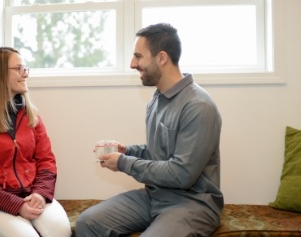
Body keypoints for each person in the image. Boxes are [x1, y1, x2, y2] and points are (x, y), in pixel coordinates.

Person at [76, 23, 223, 236]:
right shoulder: (156, 99)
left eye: (138, 56)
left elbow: (182, 174)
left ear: (161, 58)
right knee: (88, 222)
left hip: (193, 204)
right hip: (154, 196)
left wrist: (124, 163)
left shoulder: (198, 106)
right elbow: (159, 154)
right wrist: (127, 151)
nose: (132, 64)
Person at [0, 47, 71, 237]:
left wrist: (40, 194)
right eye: (18, 69)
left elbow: (47, 162)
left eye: (25, 68)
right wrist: (16, 205)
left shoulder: (31, 115)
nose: (24, 74)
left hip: (33, 194)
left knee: (60, 231)